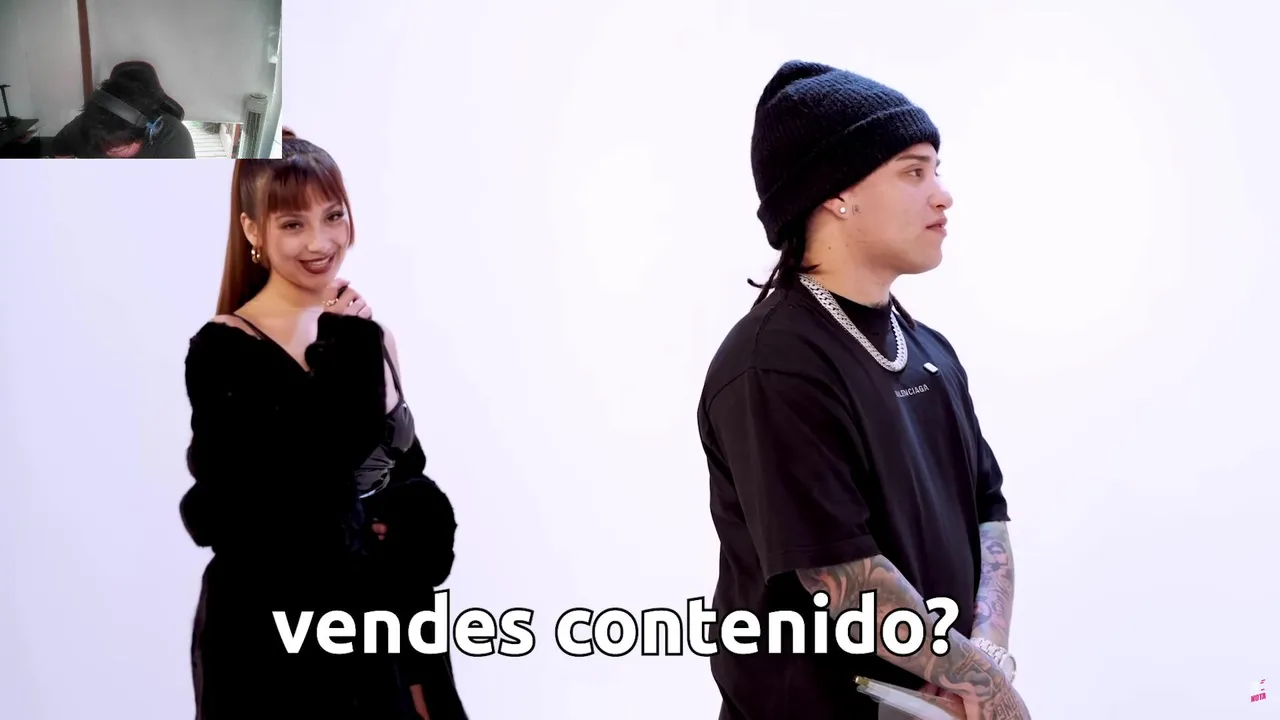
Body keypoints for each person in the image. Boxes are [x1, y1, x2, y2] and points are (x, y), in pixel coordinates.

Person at [696, 60, 1031, 720]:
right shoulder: (774, 364)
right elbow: (841, 576)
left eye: (936, 170)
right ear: (837, 194)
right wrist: (983, 686)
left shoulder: (929, 350)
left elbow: (988, 513)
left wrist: (982, 661)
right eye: (913, 172)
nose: (942, 195)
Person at [178, 129, 467, 719]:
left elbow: (404, 476)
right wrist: (344, 350)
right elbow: (288, 493)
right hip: (274, 647)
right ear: (253, 231)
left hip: (383, 628)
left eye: (333, 215)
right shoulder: (223, 349)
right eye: (293, 224)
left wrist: (415, 524)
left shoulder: (370, 337)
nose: (320, 241)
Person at [51, 60, 195, 158]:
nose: (108, 150)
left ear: (148, 133)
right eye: (103, 143)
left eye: (117, 146)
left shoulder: (173, 138)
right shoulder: (88, 124)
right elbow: (61, 145)